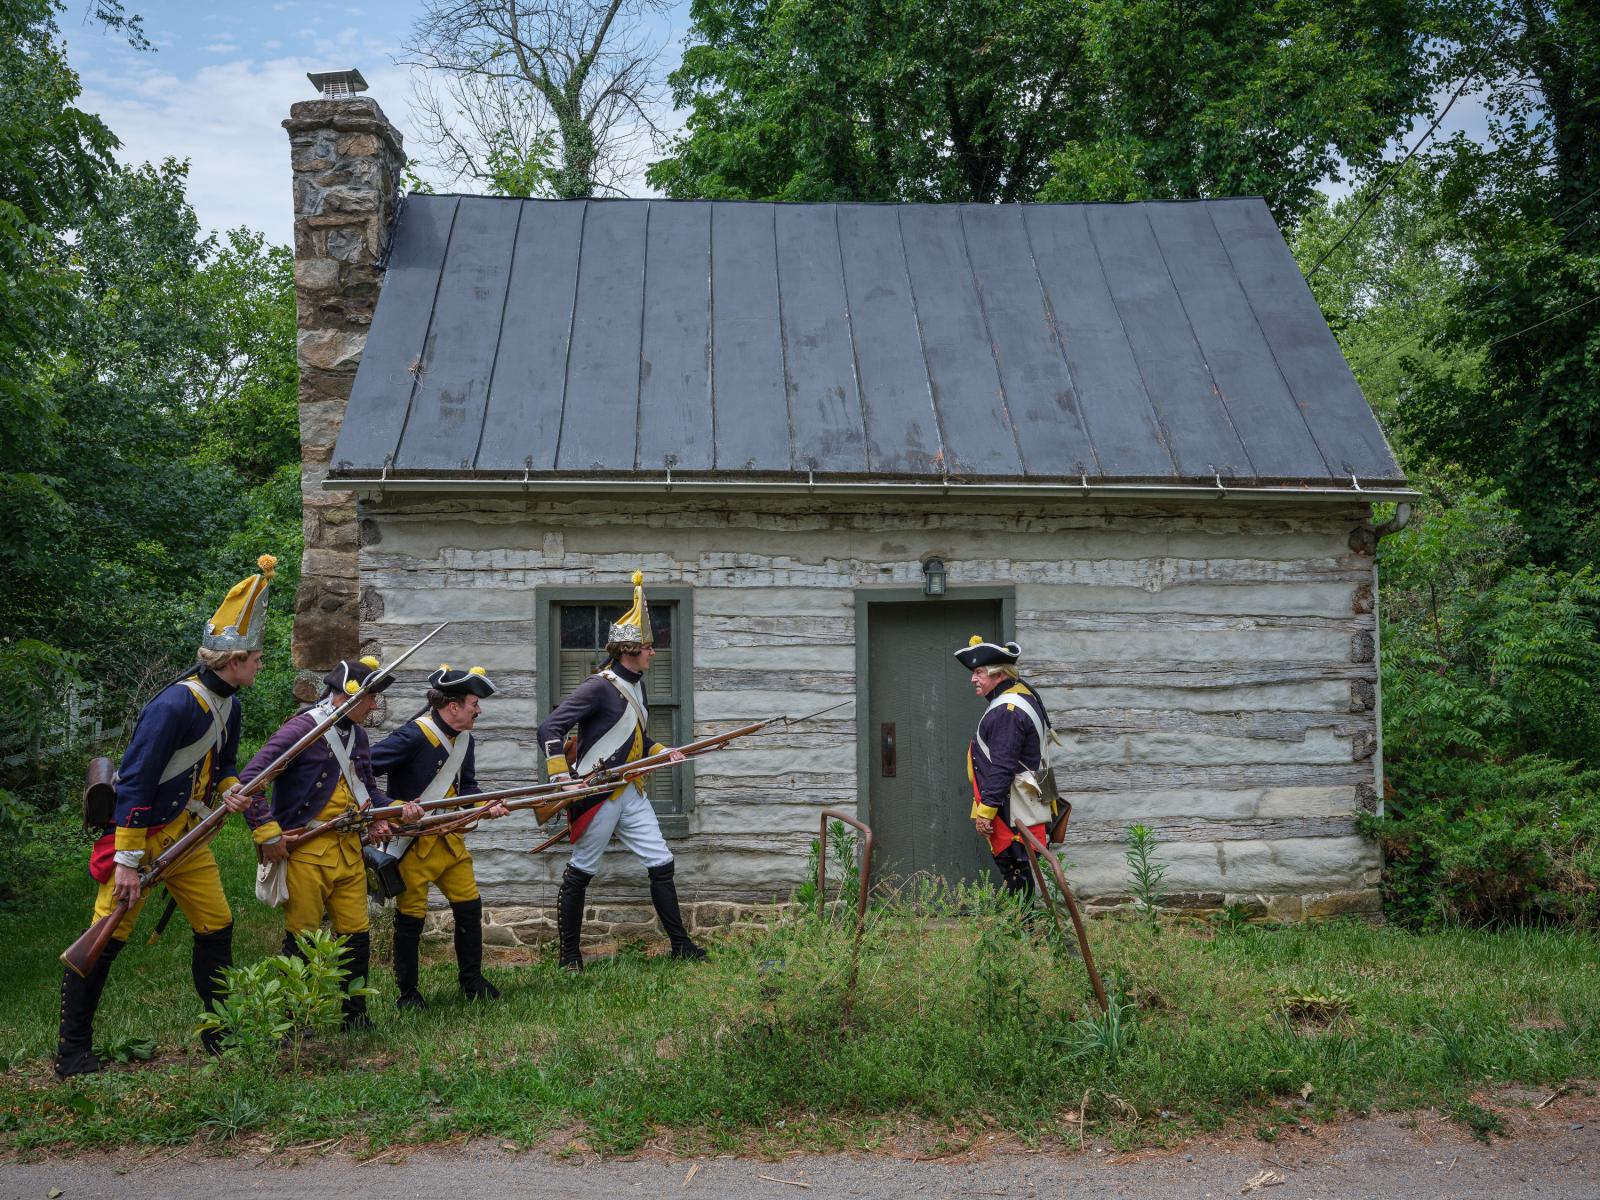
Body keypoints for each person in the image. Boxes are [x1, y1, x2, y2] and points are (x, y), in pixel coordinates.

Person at [55, 555, 275, 1080]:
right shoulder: (175, 706)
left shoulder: (231, 706)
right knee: (106, 938)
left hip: (189, 839)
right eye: (257, 658)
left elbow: (221, 767)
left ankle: (219, 1034)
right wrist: (128, 861)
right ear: (235, 659)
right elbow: (135, 781)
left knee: (217, 926)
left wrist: (231, 791)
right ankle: (72, 1052)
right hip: (144, 839)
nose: (262, 665)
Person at [536, 571, 701, 971]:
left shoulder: (637, 684)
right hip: (597, 791)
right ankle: (569, 957)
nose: (653, 653)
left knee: (661, 862)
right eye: (648, 646)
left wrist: (664, 752)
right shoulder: (598, 686)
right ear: (629, 650)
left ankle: (680, 945)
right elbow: (549, 728)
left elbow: (637, 737)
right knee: (581, 871)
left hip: (630, 788)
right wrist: (562, 778)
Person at [240, 656, 397, 1029]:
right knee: (304, 936)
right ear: (349, 695)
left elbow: (367, 791)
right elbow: (250, 782)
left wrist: (393, 812)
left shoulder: (357, 735)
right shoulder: (301, 730)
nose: (375, 705)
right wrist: (268, 833)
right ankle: (296, 1018)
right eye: (370, 697)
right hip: (307, 848)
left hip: (347, 848)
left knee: (357, 933)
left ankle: (354, 1015)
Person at [371, 666, 509, 1009]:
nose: (478, 710)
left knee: (469, 908)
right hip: (414, 846)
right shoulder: (413, 736)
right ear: (453, 706)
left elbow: (468, 785)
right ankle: (408, 993)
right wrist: (391, 807)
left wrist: (484, 804)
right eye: (474, 703)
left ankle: (472, 980)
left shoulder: (465, 740)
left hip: (450, 841)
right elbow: (363, 769)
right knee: (410, 920)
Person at [954, 636, 1054, 904]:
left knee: (1015, 871)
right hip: (1017, 799)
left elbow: (1003, 766)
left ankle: (1024, 929)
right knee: (1019, 873)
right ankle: (1023, 927)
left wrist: (985, 812)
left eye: (979, 673)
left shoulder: (1008, 709)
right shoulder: (1022, 696)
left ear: (998, 675)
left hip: (1011, 806)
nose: (973, 679)